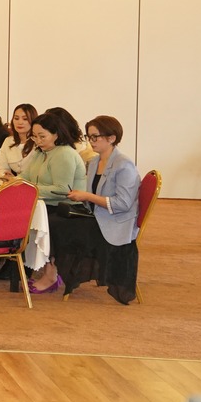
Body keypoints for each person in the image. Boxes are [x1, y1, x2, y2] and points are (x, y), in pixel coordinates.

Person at [54, 115, 141, 304]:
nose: (91, 141)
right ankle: (53, 274)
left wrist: (87, 197)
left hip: (115, 222)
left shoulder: (124, 165)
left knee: (58, 227)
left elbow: (123, 204)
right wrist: (81, 197)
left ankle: (55, 275)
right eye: (89, 137)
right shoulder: (95, 162)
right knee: (54, 219)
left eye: (95, 137)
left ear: (111, 138)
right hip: (97, 215)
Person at [15, 106, 91, 296]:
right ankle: (20, 267)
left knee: (47, 224)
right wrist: (13, 183)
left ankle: (51, 275)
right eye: (34, 136)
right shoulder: (41, 152)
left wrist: (29, 188)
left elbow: (62, 190)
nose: (38, 141)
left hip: (69, 208)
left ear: (56, 134)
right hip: (47, 204)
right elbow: (25, 176)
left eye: (42, 136)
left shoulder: (64, 153)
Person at [0, 103, 42, 177]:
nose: (20, 122)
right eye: (16, 118)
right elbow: (1, 168)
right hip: (13, 181)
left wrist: (16, 179)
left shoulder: (38, 142)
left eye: (25, 119)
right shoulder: (8, 141)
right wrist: (5, 175)